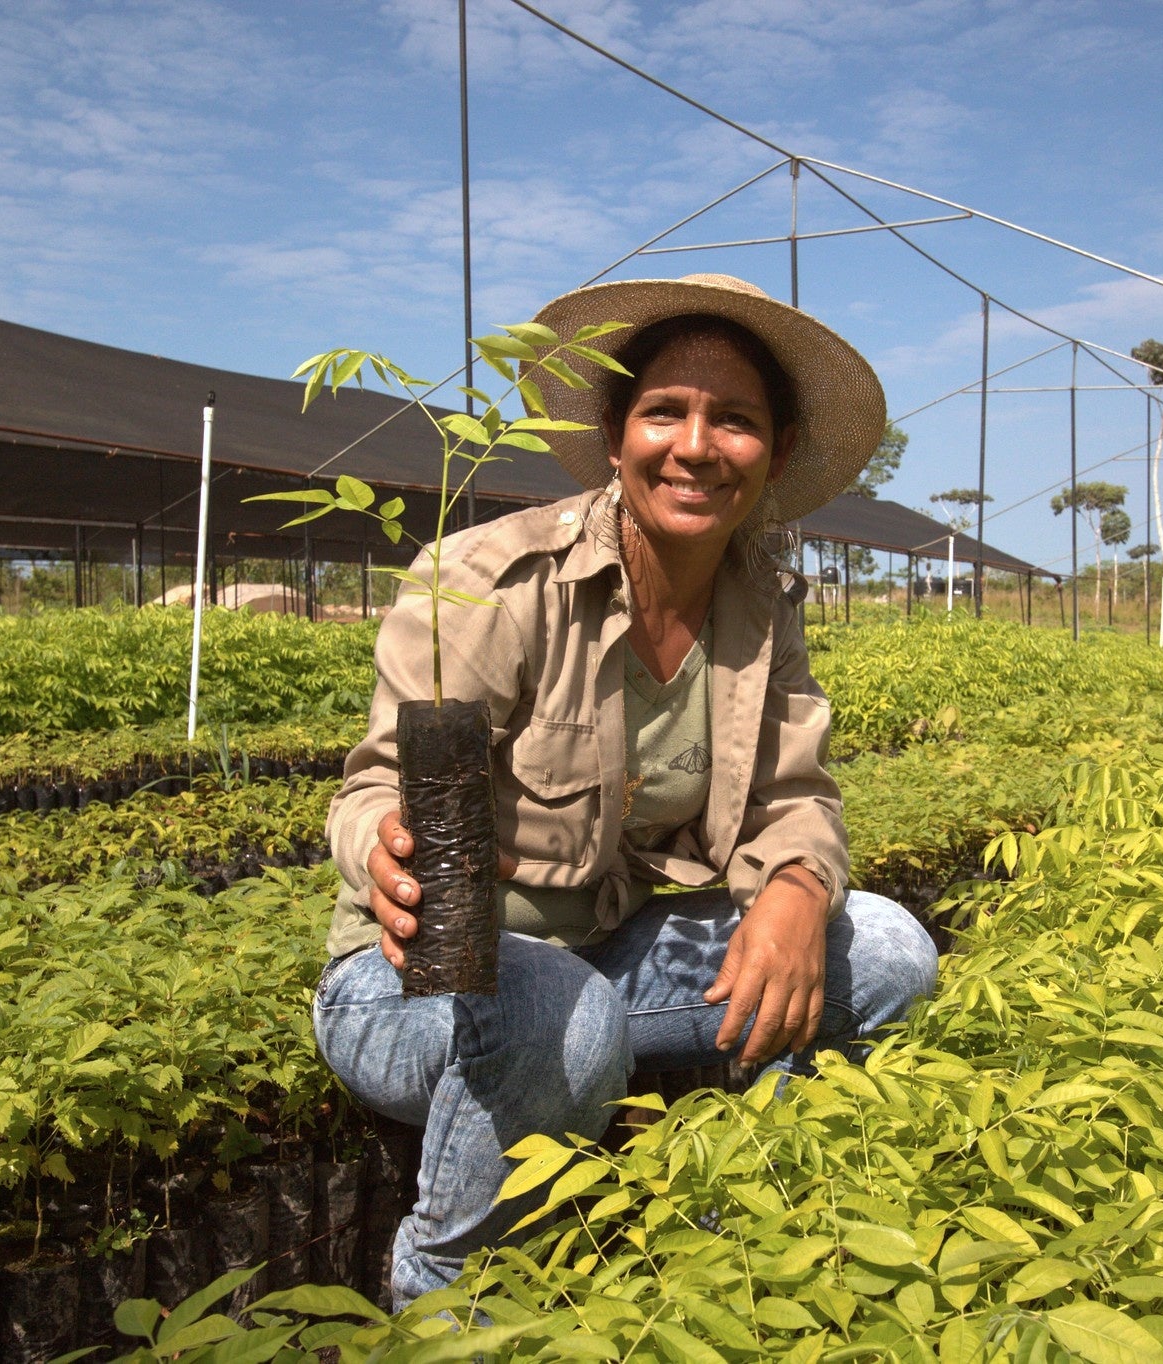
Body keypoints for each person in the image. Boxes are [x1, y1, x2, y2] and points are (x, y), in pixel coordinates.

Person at [311, 273, 939, 1309]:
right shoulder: (488, 581)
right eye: (665, 411)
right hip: (418, 983)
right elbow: (376, 781)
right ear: (614, 432)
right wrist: (387, 837)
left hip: (613, 956)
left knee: (883, 951)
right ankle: (441, 1290)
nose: (696, 444)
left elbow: (798, 793)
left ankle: (725, 1221)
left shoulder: (760, 602)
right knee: (567, 1012)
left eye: (734, 419)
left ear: (773, 453)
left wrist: (793, 886)